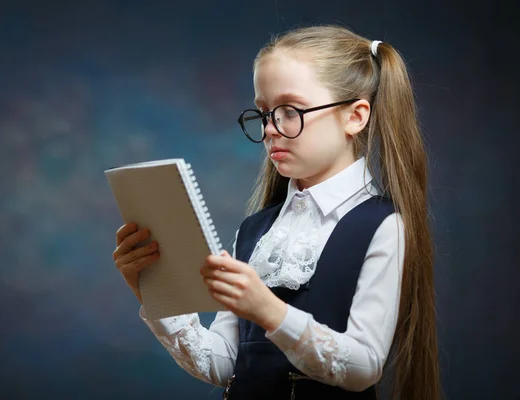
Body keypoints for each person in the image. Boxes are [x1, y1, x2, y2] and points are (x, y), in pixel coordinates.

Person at [113, 24, 440, 400]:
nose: (270, 128)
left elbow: (364, 366)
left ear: (355, 116)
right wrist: (154, 288)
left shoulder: (383, 225)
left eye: (289, 111)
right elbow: (221, 365)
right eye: (264, 113)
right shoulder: (254, 231)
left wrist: (270, 311)